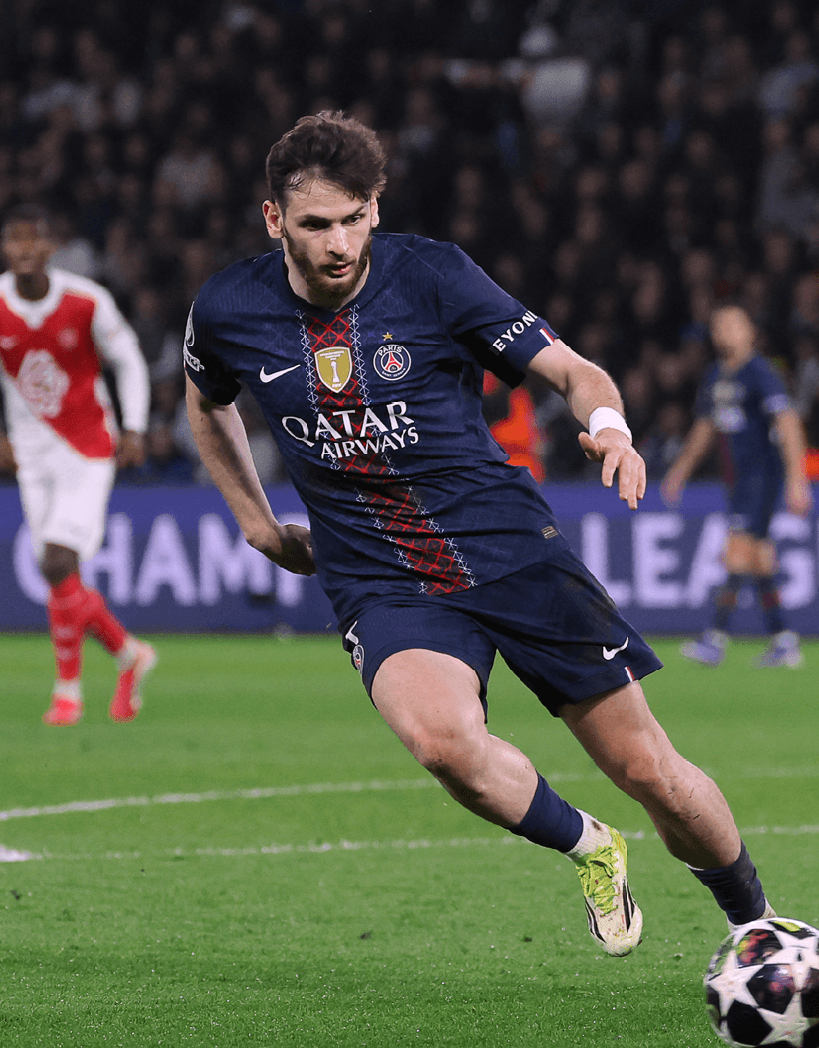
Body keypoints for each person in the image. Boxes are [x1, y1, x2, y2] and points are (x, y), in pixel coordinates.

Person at [182, 112, 773, 956]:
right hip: (381, 576)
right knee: (442, 744)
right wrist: (255, 523)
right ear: (274, 218)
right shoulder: (228, 309)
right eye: (315, 224)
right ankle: (589, 845)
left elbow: (571, 369)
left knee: (650, 771)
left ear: (376, 207)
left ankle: (760, 926)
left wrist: (610, 428)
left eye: (353, 217)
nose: (339, 243)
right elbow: (207, 403)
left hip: (509, 549)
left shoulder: (433, 276)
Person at [0, 205, 156, 726]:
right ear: (3, 248)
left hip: (88, 447)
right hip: (30, 454)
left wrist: (135, 427)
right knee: (61, 577)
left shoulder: (86, 300)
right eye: (14, 239)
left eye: (34, 239)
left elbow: (129, 360)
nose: (24, 248)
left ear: (51, 247)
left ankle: (68, 692)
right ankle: (129, 654)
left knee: (56, 561)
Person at [660, 306, 813, 669]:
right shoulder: (716, 375)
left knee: (737, 551)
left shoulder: (761, 372)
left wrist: (797, 479)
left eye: (732, 325)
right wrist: (680, 470)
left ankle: (715, 638)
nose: (723, 332)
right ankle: (783, 640)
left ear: (750, 332)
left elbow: (787, 422)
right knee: (759, 558)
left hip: (762, 475)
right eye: (718, 327)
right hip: (736, 478)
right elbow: (705, 426)